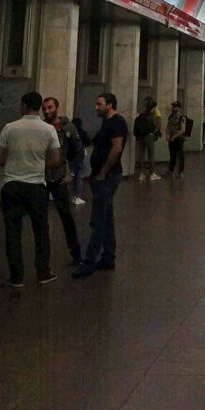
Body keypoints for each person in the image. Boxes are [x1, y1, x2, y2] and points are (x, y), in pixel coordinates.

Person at [0, 91, 61, 287]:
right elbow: (56, 159)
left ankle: (16, 277)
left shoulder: (9, 128)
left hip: (12, 185)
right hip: (37, 186)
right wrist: (40, 165)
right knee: (41, 231)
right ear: (40, 107)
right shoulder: (48, 129)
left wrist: (14, 163)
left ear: (23, 105)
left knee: (13, 231)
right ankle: (43, 272)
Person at [72, 92, 129, 279]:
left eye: (99, 104)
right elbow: (96, 143)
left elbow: (117, 148)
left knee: (98, 219)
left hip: (108, 177)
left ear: (110, 105)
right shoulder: (107, 122)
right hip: (101, 176)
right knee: (107, 217)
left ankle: (88, 262)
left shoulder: (117, 122)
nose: (96, 107)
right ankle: (108, 256)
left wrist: (103, 172)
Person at [41, 97, 82, 267]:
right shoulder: (41, 127)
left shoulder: (68, 127)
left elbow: (79, 152)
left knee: (65, 216)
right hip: (41, 177)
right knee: (41, 217)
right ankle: (43, 257)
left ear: (57, 107)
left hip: (59, 178)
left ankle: (76, 253)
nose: (47, 111)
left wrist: (72, 174)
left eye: (50, 107)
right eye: (44, 108)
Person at [133, 96, 161, 181]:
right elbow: (155, 126)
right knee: (151, 155)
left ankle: (141, 174)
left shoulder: (141, 115)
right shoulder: (151, 115)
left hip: (140, 137)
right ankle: (152, 173)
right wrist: (155, 133)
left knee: (141, 156)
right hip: (148, 136)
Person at [70, 116, 90, 205]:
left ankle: (72, 196)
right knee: (79, 177)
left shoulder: (70, 133)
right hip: (82, 156)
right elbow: (88, 141)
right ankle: (77, 196)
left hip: (72, 157)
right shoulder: (82, 133)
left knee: (73, 177)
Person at [165, 100, 186, 178]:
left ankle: (181, 172)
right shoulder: (170, 116)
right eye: (173, 107)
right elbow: (168, 127)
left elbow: (183, 130)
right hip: (171, 139)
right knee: (172, 155)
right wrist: (167, 135)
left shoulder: (182, 117)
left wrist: (174, 136)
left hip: (179, 139)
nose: (173, 108)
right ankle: (171, 170)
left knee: (180, 156)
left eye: (174, 107)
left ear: (178, 108)